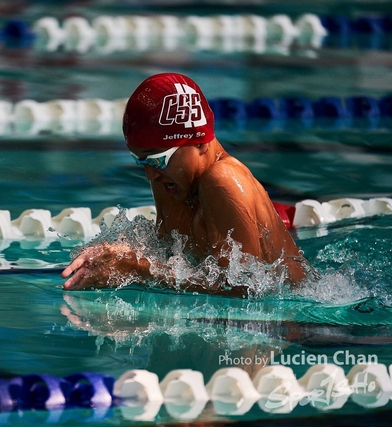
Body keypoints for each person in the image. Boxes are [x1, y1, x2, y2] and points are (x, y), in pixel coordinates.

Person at [61, 72, 312, 296]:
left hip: (298, 324)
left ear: (199, 142)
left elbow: (246, 291)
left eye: (158, 159)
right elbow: (168, 255)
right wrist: (112, 258)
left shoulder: (223, 181)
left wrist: (136, 266)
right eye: (141, 160)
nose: (150, 175)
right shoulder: (171, 177)